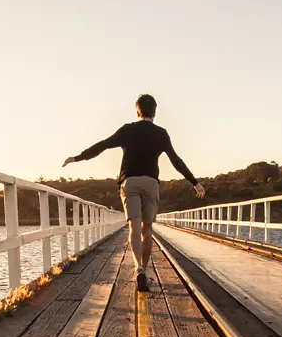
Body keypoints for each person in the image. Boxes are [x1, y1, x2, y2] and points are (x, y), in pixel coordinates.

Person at [63, 93, 204, 292]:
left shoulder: (127, 130)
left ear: (137, 110)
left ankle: (138, 268)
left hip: (130, 182)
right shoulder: (161, 133)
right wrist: (195, 182)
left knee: (134, 228)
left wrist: (77, 158)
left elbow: (102, 145)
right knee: (147, 230)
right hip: (151, 183)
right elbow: (176, 160)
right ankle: (144, 272)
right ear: (154, 112)